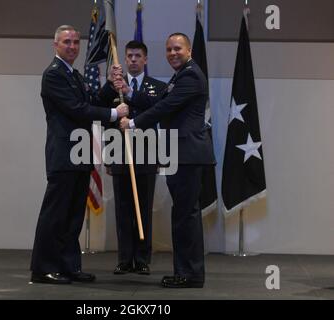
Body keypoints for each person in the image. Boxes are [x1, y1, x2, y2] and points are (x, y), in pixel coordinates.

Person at [30, 25, 128, 285]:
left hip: (80, 153)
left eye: (75, 42)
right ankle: (43, 268)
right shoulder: (53, 75)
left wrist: (110, 84)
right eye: (66, 42)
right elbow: (76, 109)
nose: (72, 46)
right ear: (56, 45)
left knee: (73, 216)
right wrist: (113, 114)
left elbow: (93, 99)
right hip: (64, 154)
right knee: (55, 214)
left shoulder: (73, 74)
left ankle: (68, 265)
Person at [116, 33, 215, 288]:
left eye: (177, 48)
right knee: (183, 214)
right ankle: (186, 272)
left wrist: (134, 123)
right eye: (169, 49)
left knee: (185, 215)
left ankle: (190, 274)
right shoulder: (181, 75)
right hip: (180, 153)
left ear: (189, 50)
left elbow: (165, 107)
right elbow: (158, 100)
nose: (172, 53)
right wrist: (129, 92)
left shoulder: (191, 75)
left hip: (187, 154)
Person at [100, 41, 166, 275]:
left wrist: (130, 93)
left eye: (138, 56)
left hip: (147, 155)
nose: (133, 60)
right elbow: (103, 114)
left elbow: (158, 108)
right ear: (124, 59)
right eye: (129, 56)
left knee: (144, 208)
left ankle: (142, 259)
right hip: (120, 154)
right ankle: (125, 259)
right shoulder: (113, 87)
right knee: (123, 208)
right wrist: (108, 156)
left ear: (146, 59)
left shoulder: (156, 86)